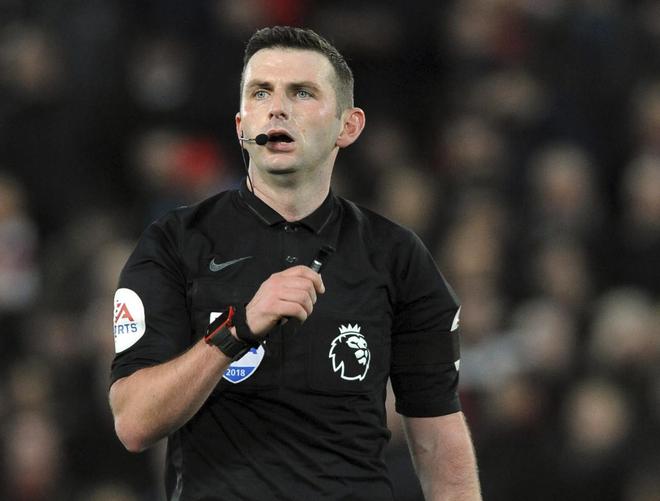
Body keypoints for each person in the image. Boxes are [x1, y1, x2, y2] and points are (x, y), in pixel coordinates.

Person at [109, 26, 481, 500]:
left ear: (349, 126)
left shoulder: (396, 256)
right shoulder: (176, 243)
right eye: (260, 92)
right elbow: (134, 422)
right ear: (241, 124)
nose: (277, 108)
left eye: (302, 93)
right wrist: (237, 331)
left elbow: (439, 439)